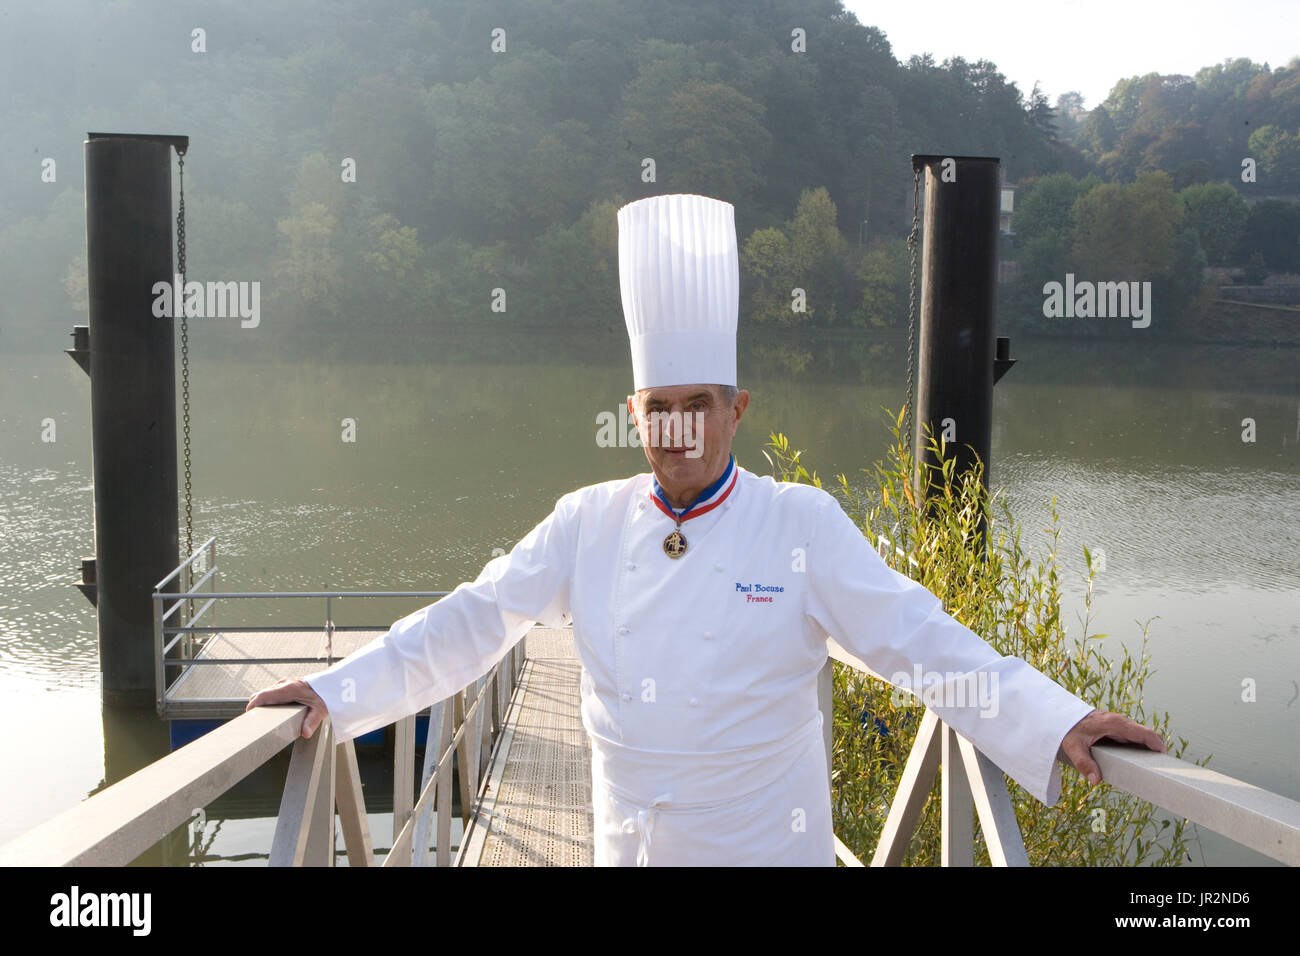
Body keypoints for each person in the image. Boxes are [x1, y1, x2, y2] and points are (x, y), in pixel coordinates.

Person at [248, 193, 1165, 866]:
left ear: (737, 412)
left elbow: (912, 635)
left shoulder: (798, 521)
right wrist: (335, 691)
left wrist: (1053, 719)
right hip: (628, 848)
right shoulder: (587, 522)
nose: (678, 427)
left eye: (699, 404)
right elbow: (477, 620)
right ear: (634, 415)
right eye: (659, 406)